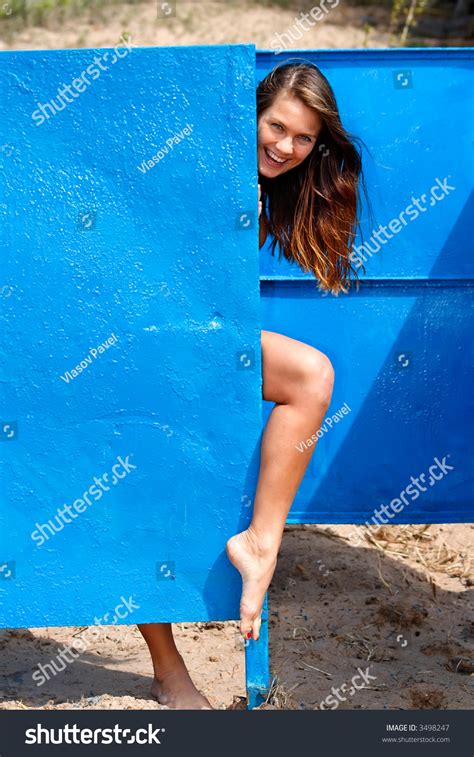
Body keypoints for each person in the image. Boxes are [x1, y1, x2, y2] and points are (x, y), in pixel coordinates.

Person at [138, 61, 368, 709]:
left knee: (311, 375)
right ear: (251, 113)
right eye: (276, 126)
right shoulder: (202, 160)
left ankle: (260, 540)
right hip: (140, 339)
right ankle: (169, 669)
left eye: (303, 139)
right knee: (149, 488)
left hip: (188, 342)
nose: (287, 147)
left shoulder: (263, 191)